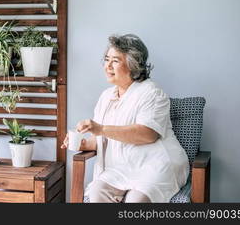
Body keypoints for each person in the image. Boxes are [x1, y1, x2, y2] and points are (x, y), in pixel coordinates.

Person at [61, 34, 189, 203]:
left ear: (133, 65)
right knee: (97, 192)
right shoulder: (106, 97)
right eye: (106, 59)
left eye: (115, 60)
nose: (107, 66)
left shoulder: (152, 93)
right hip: (121, 168)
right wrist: (81, 143)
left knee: (136, 200)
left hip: (155, 165)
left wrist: (100, 129)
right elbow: (101, 141)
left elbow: (148, 134)